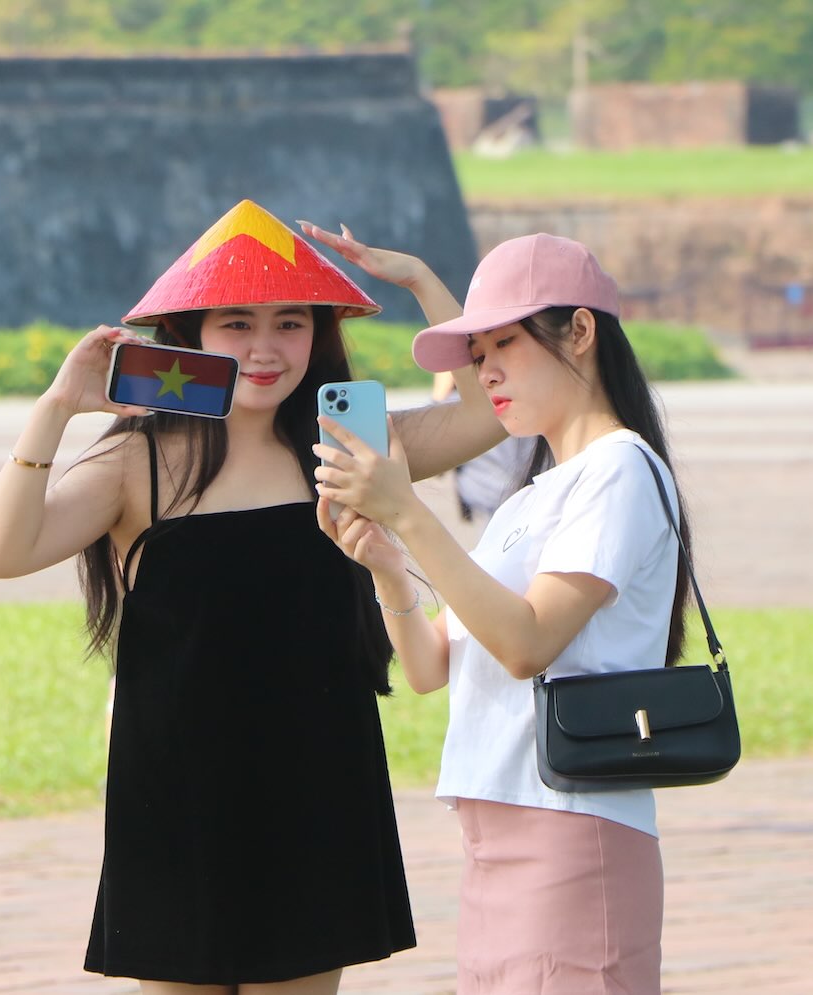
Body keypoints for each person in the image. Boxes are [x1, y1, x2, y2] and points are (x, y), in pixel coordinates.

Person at [0, 199, 504, 994]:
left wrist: (423, 281)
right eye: (236, 324)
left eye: (290, 323)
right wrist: (56, 409)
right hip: (176, 795)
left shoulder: (353, 449)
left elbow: (487, 414)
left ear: (318, 335)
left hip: (317, 783)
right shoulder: (138, 462)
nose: (265, 348)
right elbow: (1, 553)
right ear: (191, 336)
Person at [312, 233, 693, 994]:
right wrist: (387, 565)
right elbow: (429, 666)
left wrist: (409, 511)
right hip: (495, 828)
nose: (485, 371)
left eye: (504, 345)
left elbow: (527, 643)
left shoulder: (619, 470)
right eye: (477, 353)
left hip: (572, 832)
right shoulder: (530, 497)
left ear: (580, 331)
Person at [431, 369, 536, 527]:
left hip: (488, 493)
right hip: (526, 489)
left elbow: (436, 460)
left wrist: (439, 393)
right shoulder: (520, 390)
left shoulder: (455, 405)